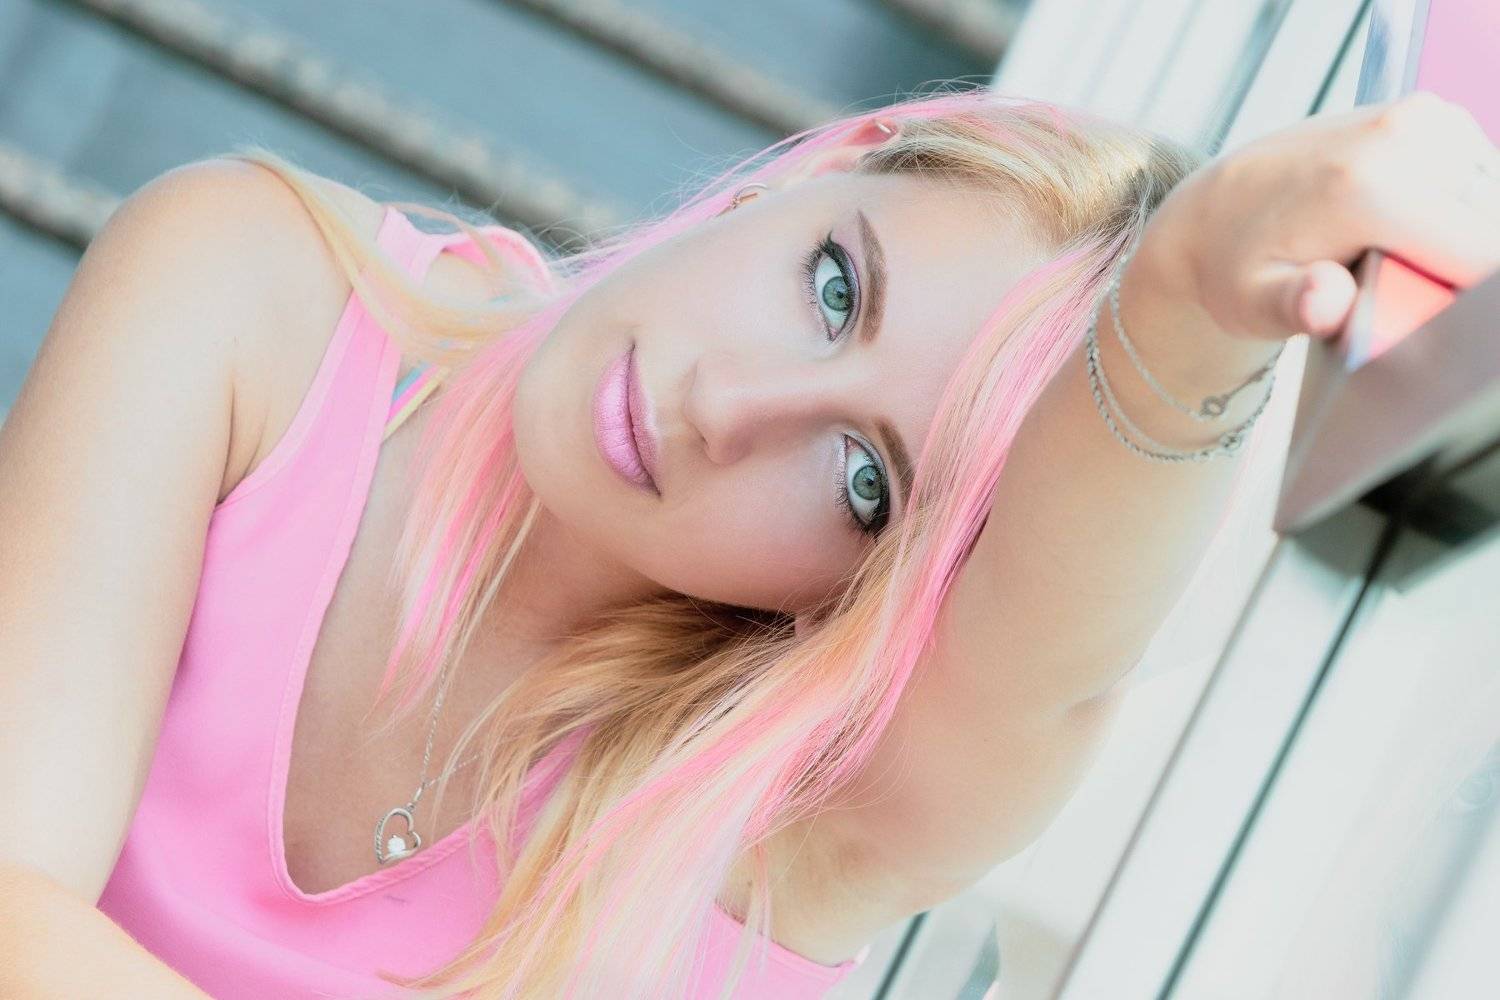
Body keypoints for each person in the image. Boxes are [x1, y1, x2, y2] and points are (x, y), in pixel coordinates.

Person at [1, 86, 1495, 999]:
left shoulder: (774, 827)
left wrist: (1194, 304)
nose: (727, 407)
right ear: (825, 166)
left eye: (863, 481)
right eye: (834, 288)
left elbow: (1045, 656)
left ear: (873, 598)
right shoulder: (260, 293)